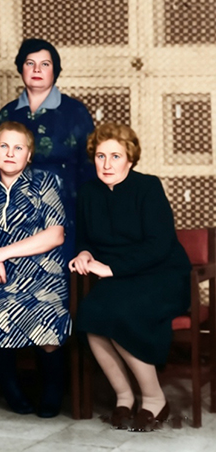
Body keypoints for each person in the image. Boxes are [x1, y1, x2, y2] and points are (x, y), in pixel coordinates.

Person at [70, 123, 190, 432]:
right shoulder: (88, 192)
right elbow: (84, 239)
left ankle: (154, 399)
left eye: (115, 156)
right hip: (121, 280)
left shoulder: (148, 187)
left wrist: (111, 269)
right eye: (100, 156)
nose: (107, 164)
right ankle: (124, 396)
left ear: (130, 159)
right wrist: (84, 254)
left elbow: (160, 245)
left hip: (162, 275)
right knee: (90, 312)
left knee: (120, 313)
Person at [0, 121, 69, 418]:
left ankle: (52, 388)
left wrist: (0, 253)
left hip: (43, 273)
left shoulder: (45, 181)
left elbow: (55, 235)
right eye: (4, 146)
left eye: (18, 148)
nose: (10, 153)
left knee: (46, 313)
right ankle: (12, 390)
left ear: (29, 154)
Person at [0, 38, 95, 261]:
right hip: (13, 210)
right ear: (21, 68)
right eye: (30, 63)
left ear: (55, 71)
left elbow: (89, 168)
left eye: (45, 64)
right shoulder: (8, 113)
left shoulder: (74, 112)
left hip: (63, 209)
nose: (37, 70)